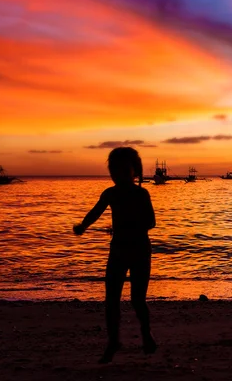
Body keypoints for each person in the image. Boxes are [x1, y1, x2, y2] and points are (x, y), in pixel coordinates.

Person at [73, 147, 157, 363]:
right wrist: (83, 225)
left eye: (123, 169)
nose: (118, 174)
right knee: (111, 299)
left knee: (138, 299)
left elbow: (151, 222)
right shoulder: (110, 193)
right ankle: (113, 341)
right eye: (114, 170)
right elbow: (95, 211)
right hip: (118, 250)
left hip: (139, 251)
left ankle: (147, 335)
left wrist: (128, 226)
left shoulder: (141, 193)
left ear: (134, 171)